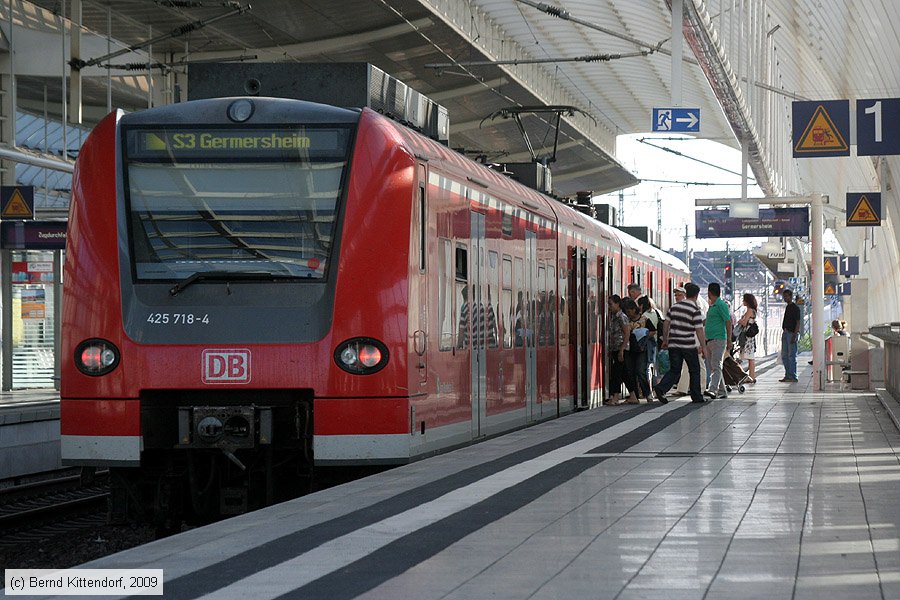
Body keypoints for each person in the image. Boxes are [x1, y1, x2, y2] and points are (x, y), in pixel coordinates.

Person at [654, 282, 707, 404]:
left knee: (675, 370)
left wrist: (666, 340)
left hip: (674, 344)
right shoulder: (695, 310)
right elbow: (699, 329)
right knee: (694, 370)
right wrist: (703, 346)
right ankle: (696, 396)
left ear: (686, 294)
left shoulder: (674, 307)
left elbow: (666, 324)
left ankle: (661, 388)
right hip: (688, 345)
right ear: (696, 295)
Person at [623, 298, 655, 403]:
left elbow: (653, 331)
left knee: (641, 371)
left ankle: (648, 394)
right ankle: (635, 396)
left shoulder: (644, 320)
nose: (628, 314)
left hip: (641, 349)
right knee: (630, 372)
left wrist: (643, 335)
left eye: (629, 311)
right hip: (629, 350)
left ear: (634, 309)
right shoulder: (626, 320)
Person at [704, 282, 732, 399]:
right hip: (710, 340)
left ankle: (713, 389)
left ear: (710, 293)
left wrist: (729, 340)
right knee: (714, 366)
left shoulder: (721, 305)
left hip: (719, 339)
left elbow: (728, 321)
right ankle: (722, 391)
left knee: (716, 365)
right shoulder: (713, 305)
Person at [605, 295, 630, 405]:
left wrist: (622, 349)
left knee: (617, 373)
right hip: (616, 348)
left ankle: (615, 397)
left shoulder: (621, 316)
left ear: (618, 304)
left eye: (611, 304)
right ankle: (633, 395)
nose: (609, 307)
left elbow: (627, 332)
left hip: (620, 348)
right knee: (624, 373)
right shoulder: (615, 316)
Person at [638, 295, 663, 384]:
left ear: (641, 305)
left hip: (647, 343)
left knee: (647, 366)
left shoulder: (643, 316)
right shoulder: (657, 312)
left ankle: (649, 386)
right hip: (657, 342)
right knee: (655, 366)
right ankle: (657, 386)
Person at [780, 289, 801, 382]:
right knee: (784, 355)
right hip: (785, 332)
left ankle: (793, 375)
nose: (785, 298)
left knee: (791, 355)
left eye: (787, 296)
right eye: (784, 296)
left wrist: (795, 334)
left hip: (791, 333)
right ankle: (787, 375)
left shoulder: (795, 308)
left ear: (791, 296)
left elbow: (798, 322)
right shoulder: (788, 307)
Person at [737, 293, 758, 382]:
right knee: (750, 357)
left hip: (747, 337)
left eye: (744, 300)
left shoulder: (749, 311)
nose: (743, 301)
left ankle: (751, 377)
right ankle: (751, 376)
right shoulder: (752, 310)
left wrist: (739, 321)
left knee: (750, 357)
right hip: (749, 337)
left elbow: (745, 323)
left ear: (747, 301)